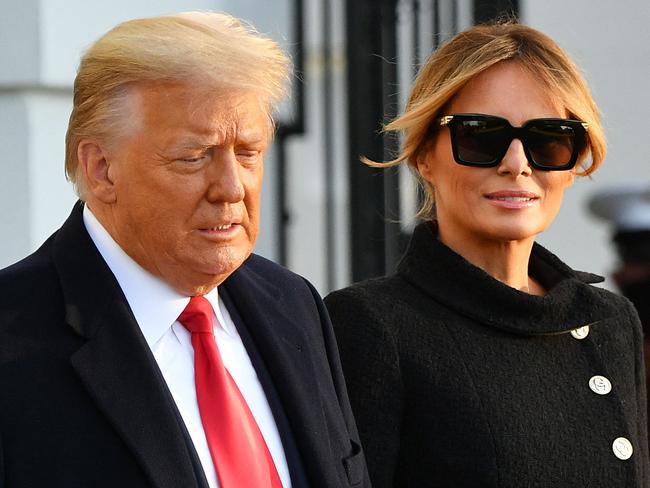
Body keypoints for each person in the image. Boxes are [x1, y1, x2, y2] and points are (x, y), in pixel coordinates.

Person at [0, 12, 369, 488]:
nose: (232, 188)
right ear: (101, 170)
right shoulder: (14, 336)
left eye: (248, 152)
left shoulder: (294, 305)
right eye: (194, 156)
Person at [325, 22, 648, 487]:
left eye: (547, 140)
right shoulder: (372, 324)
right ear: (424, 156)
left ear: (573, 162)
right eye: (480, 135)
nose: (517, 163)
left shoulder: (610, 321)